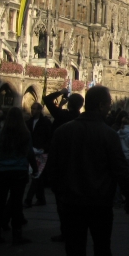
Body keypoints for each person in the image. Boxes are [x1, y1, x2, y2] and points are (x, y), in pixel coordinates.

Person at [48, 86, 129, 256]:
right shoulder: (108, 134)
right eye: (108, 103)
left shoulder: (62, 131)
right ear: (100, 105)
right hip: (99, 203)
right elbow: (120, 170)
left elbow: (52, 170)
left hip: (71, 204)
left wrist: (61, 194)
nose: (110, 107)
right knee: (102, 252)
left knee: (74, 254)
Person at [0, 107, 38, 245]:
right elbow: (29, 153)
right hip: (19, 171)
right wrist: (35, 169)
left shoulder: (1, 132)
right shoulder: (25, 133)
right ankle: (17, 235)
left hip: (2, 171)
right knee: (16, 204)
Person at [43, 89, 84, 242]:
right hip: (77, 164)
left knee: (62, 202)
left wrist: (61, 92)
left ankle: (65, 231)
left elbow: (46, 99)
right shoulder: (80, 119)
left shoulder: (62, 116)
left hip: (61, 162)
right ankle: (75, 231)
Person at [23, 102, 53, 208]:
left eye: (35, 109)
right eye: (32, 108)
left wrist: (44, 148)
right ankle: (41, 199)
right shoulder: (28, 122)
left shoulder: (46, 122)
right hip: (31, 152)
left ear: (40, 110)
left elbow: (50, 137)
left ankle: (28, 199)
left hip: (42, 153)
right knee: (37, 176)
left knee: (36, 175)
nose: (32, 111)